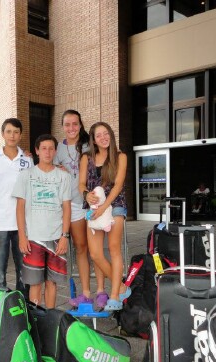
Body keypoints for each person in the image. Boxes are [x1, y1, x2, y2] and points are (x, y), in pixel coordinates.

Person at [54, 109, 107, 310]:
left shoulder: (89, 144)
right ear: (62, 126)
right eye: (67, 124)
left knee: (96, 250)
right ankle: (86, 293)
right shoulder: (58, 148)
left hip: (93, 202)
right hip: (74, 204)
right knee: (81, 248)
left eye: (75, 124)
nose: (71, 128)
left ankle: (101, 290)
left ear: (81, 124)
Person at [13, 134, 72, 308]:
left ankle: (50, 318)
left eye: (51, 148)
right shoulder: (26, 175)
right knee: (35, 283)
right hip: (33, 238)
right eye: (43, 148)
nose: (47, 152)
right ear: (37, 150)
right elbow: (19, 208)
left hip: (55, 237)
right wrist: (22, 237)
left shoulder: (64, 177)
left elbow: (66, 208)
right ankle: (36, 318)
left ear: (55, 151)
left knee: (52, 282)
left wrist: (65, 236)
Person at [79, 122, 130, 311]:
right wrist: (86, 194)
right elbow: (81, 184)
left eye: (106, 133)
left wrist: (104, 207)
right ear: (93, 139)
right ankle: (122, 286)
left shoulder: (120, 156)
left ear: (111, 135)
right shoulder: (86, 158)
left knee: (114, 249)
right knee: (95, 254)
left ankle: (115, 295)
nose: (103, 137)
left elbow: (118, 185)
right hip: (93, 207)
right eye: (98, 135)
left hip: (115, 205)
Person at [0, 118, 32, 296]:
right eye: (9, 131)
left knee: (23, 273)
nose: (12, 135)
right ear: (3, 134)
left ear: (21, 135)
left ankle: (23, 311)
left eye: (16, 132)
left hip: (22, 226)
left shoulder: (27, 160)